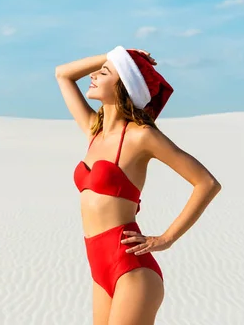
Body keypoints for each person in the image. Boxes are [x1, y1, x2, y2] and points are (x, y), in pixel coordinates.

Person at [55, 46, 222, 325]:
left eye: (104, 72)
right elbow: (62, 75)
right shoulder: (93, 130)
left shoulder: (141, 136)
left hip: (131, 268)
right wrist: (114, 54)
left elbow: (206, 183)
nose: (93, 75)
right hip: (99, 269)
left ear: (123, 86)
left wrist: (167, 238)